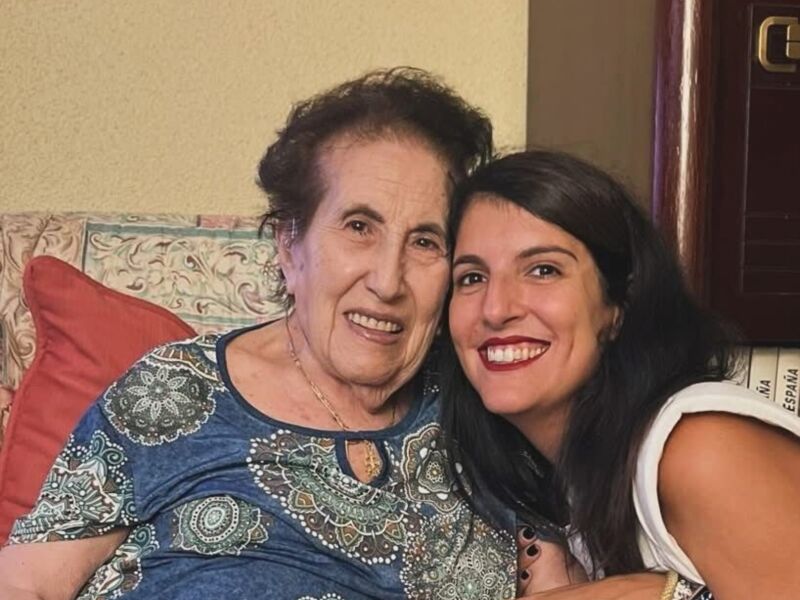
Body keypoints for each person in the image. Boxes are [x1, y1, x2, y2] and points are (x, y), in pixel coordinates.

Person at [0, 67, 526, 600]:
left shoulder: (487, 403)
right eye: (359, 227)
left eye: (425, 242)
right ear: (289, 246)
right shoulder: (174, 392)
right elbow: (28, 583)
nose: (388, 281)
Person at [441, 150, 800, 599]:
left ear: (617, 308)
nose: (496, 309)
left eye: (543, 270)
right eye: (471, 278)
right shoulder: (576, 479)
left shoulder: (695, 448)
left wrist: (657, 596)